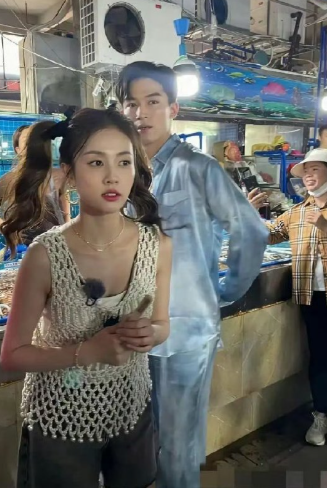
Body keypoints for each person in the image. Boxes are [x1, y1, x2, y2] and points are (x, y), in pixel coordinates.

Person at [0, 108, 172, 488]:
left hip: (131, 406)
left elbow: (162, 324)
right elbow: (12, 355)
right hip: (59, 415)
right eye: (96, 162)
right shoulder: (45, 255)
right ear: (70, 174)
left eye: (124, 162)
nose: (113, 176)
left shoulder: (156, 243)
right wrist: (87, 352)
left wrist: (151, 334)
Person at [116, 61, 268, 488]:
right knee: (142, 440)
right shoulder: (123, 171)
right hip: (131, 329)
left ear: (173, 108)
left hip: (184, 332)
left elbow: (251, 230)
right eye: (131, 104)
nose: (140, 113)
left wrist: (223, 292)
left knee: (178, 444)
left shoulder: (198, 167)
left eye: (152, 102)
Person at [265, 148, 327, 446]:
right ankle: (321, 415)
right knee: (320, 357)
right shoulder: (298, 212)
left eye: (315, 169)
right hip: (313, 297)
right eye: (306, 171)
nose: (309, 176)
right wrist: (246, 213)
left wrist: (324, 226)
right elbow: (269, 234)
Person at [0, 124, 69, 243]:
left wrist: (68, 226)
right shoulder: (9, 179)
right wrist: (1, 225)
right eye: (27, 140)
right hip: (22, 244)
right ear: (18, 150)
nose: (33, 143)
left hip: (53, 242)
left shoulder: (56, 176)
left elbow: (63, 203)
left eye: (35, 139)